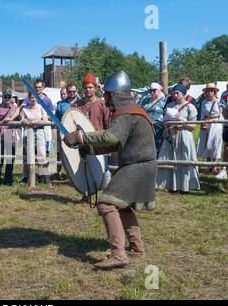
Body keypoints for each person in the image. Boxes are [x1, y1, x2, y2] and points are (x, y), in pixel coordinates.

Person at [64, 71, 157, 270]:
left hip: (137, 167)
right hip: (143, 166)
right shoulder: (135, 110)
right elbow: (116, 145)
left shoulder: (127, 114)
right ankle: (136, 244)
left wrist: (82, 137)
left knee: (106, 205)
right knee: (122, 206)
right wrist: (89, 148)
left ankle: (118, 254)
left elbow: (111, 138)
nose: (105, 98)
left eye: (106, 94)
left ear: (115, 94)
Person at [157, 84, 200, 192]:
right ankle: (171, 185)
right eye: (174, 93)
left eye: (178, 93)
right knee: (170, 158)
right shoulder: (170, 105)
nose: (175, 95)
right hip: (171, 134)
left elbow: (193, 126)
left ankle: (185, 186)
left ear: (184, 94)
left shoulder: (190, 107)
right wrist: (166, 124)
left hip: (184, 136)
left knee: (184, 159)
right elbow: (165, 121)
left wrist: (182, 120)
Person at [75, 73, 112, 196]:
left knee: (104, 170)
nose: (88, 90)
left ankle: (107, 197)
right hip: (83, 143)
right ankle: (87, 195)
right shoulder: (77, 106)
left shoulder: (102, 104)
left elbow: (107, 124)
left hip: (99, 142)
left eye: (90, 87)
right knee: (86, 169)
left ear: (95, 88)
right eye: (85, 87)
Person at [9, 92, 50, 185]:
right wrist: (26, 121)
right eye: (31, 98)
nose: (33, 99)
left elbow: (45, 119)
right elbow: (22, 119)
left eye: (35, 98)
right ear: (29, 98)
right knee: (28, 157)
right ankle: (30, 178)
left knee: (42, 155)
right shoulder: (25, 109)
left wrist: (37, 121)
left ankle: (46, 178)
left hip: (39, 132)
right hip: (27, 133)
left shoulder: (41, 107)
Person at [0, 88, 18, 186]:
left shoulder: (15, 108)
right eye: (5, 96)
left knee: (10, 160)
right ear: (2, 97)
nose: (7, 98)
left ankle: (8, 180)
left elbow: (20, 117)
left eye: (8, 96)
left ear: (11, 98)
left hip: (11, 136)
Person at [197, 83, 224, 175]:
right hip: (206, 123)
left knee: (215, 144)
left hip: (216, 124)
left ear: (214, 92)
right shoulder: (203, 102)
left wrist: (221, 124)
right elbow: (202, 114)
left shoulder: (218, 102)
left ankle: (214, 167)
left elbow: (221, 114)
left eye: (211, 91)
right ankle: (209, 166)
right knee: (206, 144)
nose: (209, 92)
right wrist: (201, 123)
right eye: (208, 91)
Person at [140, 82, 167, 152]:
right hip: (145, 127)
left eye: (154, 90)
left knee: (157, 147)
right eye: (150, 90)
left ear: (159, 90)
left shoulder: (166, 99)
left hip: (158, 128)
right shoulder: (145, 99)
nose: (152, 92)